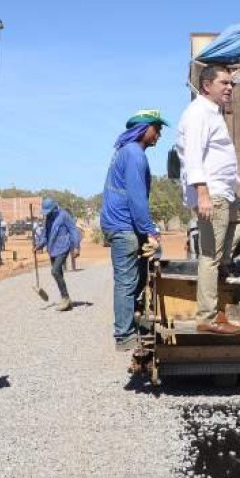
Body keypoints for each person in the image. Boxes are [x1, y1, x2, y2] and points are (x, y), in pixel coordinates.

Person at [176, 65, 240, 335]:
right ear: (207, 85)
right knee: (208, 256)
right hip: (213, 193)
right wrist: (203, 194)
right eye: (225, 83)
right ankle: (207, 318)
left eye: (231, 83)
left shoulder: (212, 113)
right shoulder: (198, 114)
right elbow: (194, 156)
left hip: (223, 192)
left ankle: (223, 259)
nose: (230, 87)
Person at [101, 109, 166, 351]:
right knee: (127, 281)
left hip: (122, 225)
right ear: (143, 129)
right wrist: (150, 230)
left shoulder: (124, 152)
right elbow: (137, 198)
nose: (159, 134)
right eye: (156, 128)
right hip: (124, 227)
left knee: (141, 272)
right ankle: (125, 335)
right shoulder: (134, 154)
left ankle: (137, 318)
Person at [34, 197, 81, 311]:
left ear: (54, 208)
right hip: (52, 249)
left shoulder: (64, 215)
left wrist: (76, 247)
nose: (47, 214)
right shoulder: (48, 220)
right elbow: (45, 235)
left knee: (54, 271)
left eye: (49, 212)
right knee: (58, 274)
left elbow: (73, 231)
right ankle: (66, 300)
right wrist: (39, 245)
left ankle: (65, 297)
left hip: (63, 247)